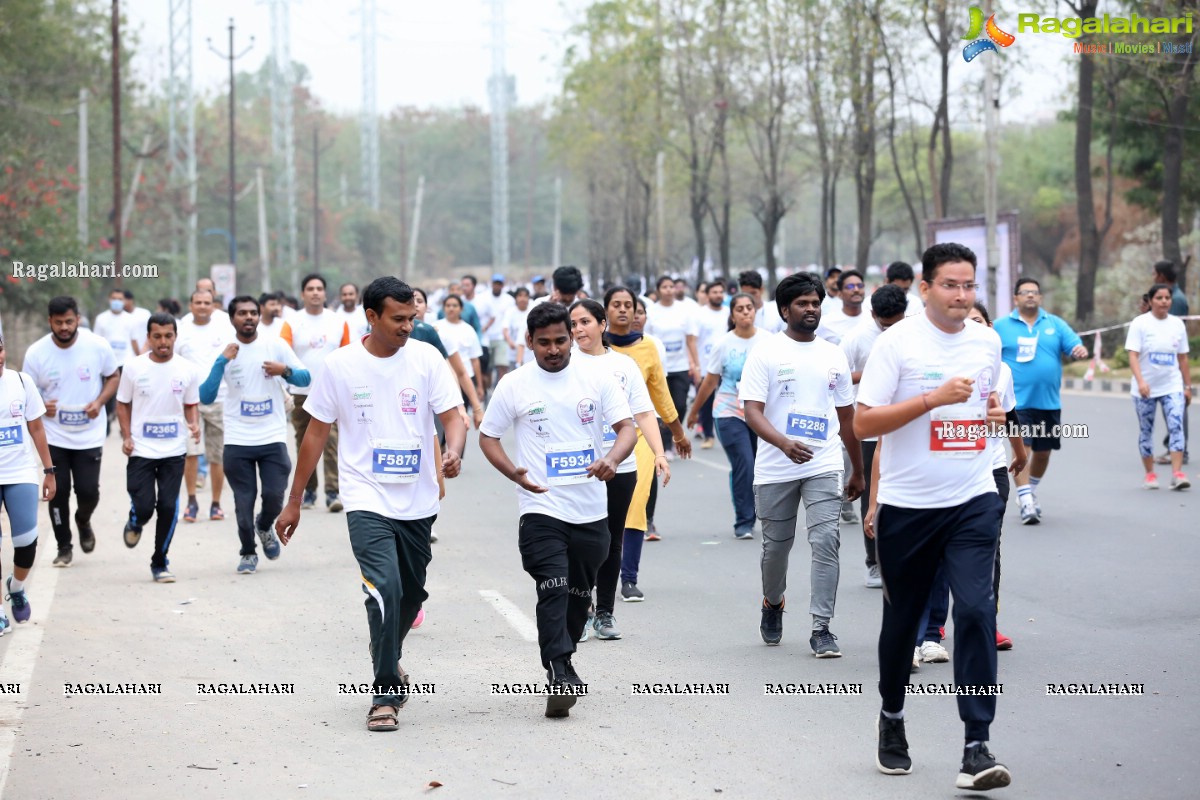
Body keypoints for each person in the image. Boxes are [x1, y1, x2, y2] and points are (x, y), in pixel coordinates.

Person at [277, 276, 466, 731]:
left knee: (411, 591)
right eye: (398, 319)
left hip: (418, 499)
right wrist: (294, 500)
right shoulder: (339, 366)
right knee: (383, 588)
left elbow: (452, 418)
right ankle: (385, 694)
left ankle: (387, 649)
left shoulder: (426, 359)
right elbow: (315, 434)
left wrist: (454, 449)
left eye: (412, 318)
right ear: (372, 317)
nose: (407, 326)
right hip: (363, 494)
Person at [855, 242, 1011, 792]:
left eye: (969, 285)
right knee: (902, 623)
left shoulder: (987, 341)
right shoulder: (897, 344)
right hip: (907, 509)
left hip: (972, 499)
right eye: (950, 284)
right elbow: (865, 425)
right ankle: (892, 716)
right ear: (925, 288)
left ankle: (976, 744)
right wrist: (931, 398)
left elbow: (982, 416)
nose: (962, 296)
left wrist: (993, 419)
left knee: (974, 610)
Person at [478, 302, 637, 717]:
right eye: (543, 343)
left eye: (560, 340)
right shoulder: (514, 385)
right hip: (540, 506)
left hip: (590, 512)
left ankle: (562, 657)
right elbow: (489, 438)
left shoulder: (597, 378)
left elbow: (627, 429)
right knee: (551, 586)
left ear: (572, 337)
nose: (553, 350)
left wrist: (613, 460)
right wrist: (515, 472)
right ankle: (561, 669)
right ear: (528, 341)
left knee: (577, 597)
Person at [740, 273, 863, 656]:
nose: (811, 309)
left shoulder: (833, 353)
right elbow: (752, 412)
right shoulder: (765, 352)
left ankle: (821, 627)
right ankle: (772, 603)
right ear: (784, 309)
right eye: (802, 303)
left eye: (815, 303)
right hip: (776, 467)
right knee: (776, 549)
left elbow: (847, 418)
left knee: (826, 540)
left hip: (823, 464)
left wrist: (857, 469)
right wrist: (783, 443)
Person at [569, 299, 668, 641]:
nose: (578, 329)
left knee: (612, 539)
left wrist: (659, 453)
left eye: (585, 322)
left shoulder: (623, 366)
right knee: (581, 543)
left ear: (601, 324)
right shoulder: (563, 364)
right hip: (576, 469)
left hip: (621, 466)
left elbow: (643, 414)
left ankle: (606, 613)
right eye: (574, 324)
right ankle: (581, 611)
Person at [202, 297, 311, 574]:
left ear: (259, 316)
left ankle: (264, 526)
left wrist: (283, 371)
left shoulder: (274, 344)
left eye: (253, 313)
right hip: (238, 439)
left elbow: (305, 377)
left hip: (272, 437)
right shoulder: (225, 351)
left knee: (274, 495)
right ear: (232, 319)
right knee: (243, 502)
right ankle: (248, 552)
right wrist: (220, 362)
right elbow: (205, 395)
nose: (248, 317)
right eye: (242, 313)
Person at [603, 287, 692, 590]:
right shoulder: (591, 349)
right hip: (597, 438)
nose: (624, 310)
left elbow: (661, 397)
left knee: (637, 502)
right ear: (605, 311)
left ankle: (629, 579)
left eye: (629, 305)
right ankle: (597, 577)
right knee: (598, 509)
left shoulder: (649, 349)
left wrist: (677, 433)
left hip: (638, 435)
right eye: (617, 305)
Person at [22, 296, 119, 566]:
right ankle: (64, 547)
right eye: (58, 322)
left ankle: (83, 520)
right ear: (49, 321)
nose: (64, 327)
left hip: (89, 435)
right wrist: (42, 405)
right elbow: (28, 392)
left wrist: (100, 402)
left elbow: (113, 376)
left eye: (69, 321)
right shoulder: (36, 353)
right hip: (54, 435)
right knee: (58, 491)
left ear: (77, 319)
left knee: (89, 492)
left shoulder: (97, 346)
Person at [993, 277, 1089, 524]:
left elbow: (1073, 345)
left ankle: (1030, 490)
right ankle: (1026, 501)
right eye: (1025, 292)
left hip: (1048, 402)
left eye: (1034, 292)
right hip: (1017, 402)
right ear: (1016, 298)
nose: (1030, 296)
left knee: (1043, 452)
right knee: (1022, 447)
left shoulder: (1054, 324)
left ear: (1040, 297)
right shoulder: (1002, 326)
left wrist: (1078, 350)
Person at [116, 312, 202, 582]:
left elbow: (191, 405)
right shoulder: (133, 367)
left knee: (168, 506)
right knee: (144, 508)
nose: (163, 342)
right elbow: (122, 403)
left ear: (175, 337)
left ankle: (159, 561)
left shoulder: (187, 369)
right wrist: (127, 436)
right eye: (157, 336)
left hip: (173, 450)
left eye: (168, 336)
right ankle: (135, 520)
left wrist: (194, 423)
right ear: (149, 338)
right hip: (141, 450)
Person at [838, 284, 907, 588]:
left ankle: (904, 557)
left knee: (906, 491)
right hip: (868, 424)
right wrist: (871, 374)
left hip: (907, 421)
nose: (892, 329)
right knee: (871, 494)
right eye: (886, 324)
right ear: (873, 315)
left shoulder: (915, 332)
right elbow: (836, 375)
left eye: (898, 322)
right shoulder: (857, 338)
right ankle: (874, 562)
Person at [687, 293, 771, 539]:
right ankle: (744, 522)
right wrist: (694, 413)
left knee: (759, 466)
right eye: (740, 309)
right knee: (744, 462)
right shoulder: (723, 343)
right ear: (732, 315)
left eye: (749, 308)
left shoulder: (768, 341)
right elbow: (710, 380)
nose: (746, 312)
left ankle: (765, 515)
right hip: (728, 410)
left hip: (761, 411)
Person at [281, 273, 351, 512]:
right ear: (303, 294)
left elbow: (348, 357)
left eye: (319, 288)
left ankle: (333, 492)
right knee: (304, 442)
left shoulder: (337, 322)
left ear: (325, 293)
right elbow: (283, 355)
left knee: (332, 441)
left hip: (332, 393)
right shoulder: (292, 322)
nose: (315, 292)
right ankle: (308, 492)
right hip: (302, 392)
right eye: (310, 288)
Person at [0, 334, 56, 634]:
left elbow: (36, 426)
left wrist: (49, 470)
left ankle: (17, 586)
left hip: (20, 472)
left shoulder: (21, 382)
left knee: (26, 544)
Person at [177, 289, 235, 523]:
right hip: (190, 402)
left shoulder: (225, 329)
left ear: (214, 306)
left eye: (207, 303)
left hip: (221, 400)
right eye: (198, 302)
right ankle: (191, 501)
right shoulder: (181, 330)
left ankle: (216, 504)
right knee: (191, 453)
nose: (202, 306)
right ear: (190, 305)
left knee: (217, 456)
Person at [1126, 284, 1191, 490]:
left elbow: (1182, 358)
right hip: (1145, 388)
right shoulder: (1140, 323)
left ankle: (1177, 474)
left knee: (1176, 425)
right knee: (1147, 429)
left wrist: (1187, 386)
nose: (1164, 301)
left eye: (1167, 298)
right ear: (1152, 301)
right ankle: (1150, 474)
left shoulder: (1177, 325)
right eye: (1159, 298)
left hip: (1171, 385)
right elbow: (1133, 355)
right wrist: (1141, 381)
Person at [645, 275, 700, 455]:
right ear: (658, 290)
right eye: (665, 287)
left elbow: (691, 340)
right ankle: (666, 444)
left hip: (681, 365)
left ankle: (675, 435)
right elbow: (647, 340)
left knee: (680, 405)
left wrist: (695, 365)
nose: (669, 290)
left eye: (671, 286)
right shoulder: (651, 311)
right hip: (659, 367)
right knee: (661, 406)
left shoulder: (684, 310)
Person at [1151, 260, 1189, 464]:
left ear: (1162, 276)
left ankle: (1180, 450)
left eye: (1154, 274)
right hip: (1162, 363)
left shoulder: (1177, 299)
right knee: (1170, 409)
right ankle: (1173, 447)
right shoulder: (1171, 296)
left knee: (1176, 408)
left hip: (1173, 362)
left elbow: (1173, 332)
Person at [692, 279, 730, 449]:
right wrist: (695, 365)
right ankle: (708, 435)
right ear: (707, 295)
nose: (718, 295)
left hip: (727, 366)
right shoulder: (699, 314)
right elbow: (692, 341)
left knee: (727, 400)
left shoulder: (729, 313)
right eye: (714, 292)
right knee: (706, 403)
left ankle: (728, 432)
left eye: (720, 292)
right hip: (706, 366)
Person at [434, 295, 485, 403]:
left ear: (461, 309)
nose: (451, 308)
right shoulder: (435, 327)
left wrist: (479, 385)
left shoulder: (468, 330)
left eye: (455, 305)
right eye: (448, 305)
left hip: (465, 379)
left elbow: (475, 360)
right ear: (444, 308)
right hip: (443, 379)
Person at [480, 274, 516, 389]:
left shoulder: (509, 300)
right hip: (486, 338)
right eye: (495, 283)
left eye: (499, 284)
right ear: (492, 284)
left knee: (502, 366)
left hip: (502, 338)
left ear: (502, 285)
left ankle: (500, 390)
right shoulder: (483, 298)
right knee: (488, 369)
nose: (497, 286)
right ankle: (489, 391)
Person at [816, 269, 866, 345]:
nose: (856, 290)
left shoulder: (873, 319)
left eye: (860, 285)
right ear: (840, 293)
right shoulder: (826, 323)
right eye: (850, 286)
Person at [504, 287, 534, 368]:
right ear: (516, 298)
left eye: (525, 296)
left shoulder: (532, 311)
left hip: (529, 353)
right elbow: (505, 329)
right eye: (520, 296)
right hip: (513, 351)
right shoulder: (510, 311)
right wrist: (510, 342)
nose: (523, 299)